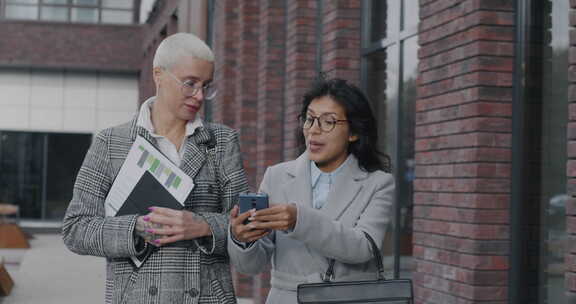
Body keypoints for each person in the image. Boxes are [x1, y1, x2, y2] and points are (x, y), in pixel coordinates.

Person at [62, 33, 248, 304]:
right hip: (136, 296)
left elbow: (242, 225)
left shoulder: (222, 141)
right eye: (190, 83)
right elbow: (75, 229)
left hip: (208, 296)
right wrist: (135, 228)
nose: (199, 96)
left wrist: (203, 225)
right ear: (158, 75)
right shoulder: (111, 142)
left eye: (206, 86)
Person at [228, 78, 395, 304]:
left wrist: (299, 219)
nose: (314, 131)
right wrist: (242, 240)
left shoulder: (378, 183)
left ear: (353, 132)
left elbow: (363, 248)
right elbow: (252, 265)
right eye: (310, 119)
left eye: (328, 122)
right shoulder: (276, 177)